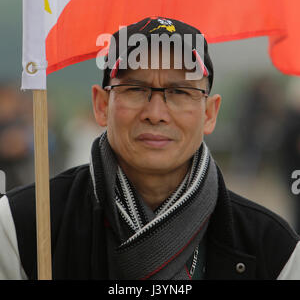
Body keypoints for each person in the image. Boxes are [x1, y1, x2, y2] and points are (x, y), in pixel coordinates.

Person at [0, 17, 299, 280]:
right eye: (135, 89)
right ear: (101, 105)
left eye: (179, 92)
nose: (155, 113)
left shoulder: (273, 248)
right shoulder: (22, 226)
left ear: (210, 113)